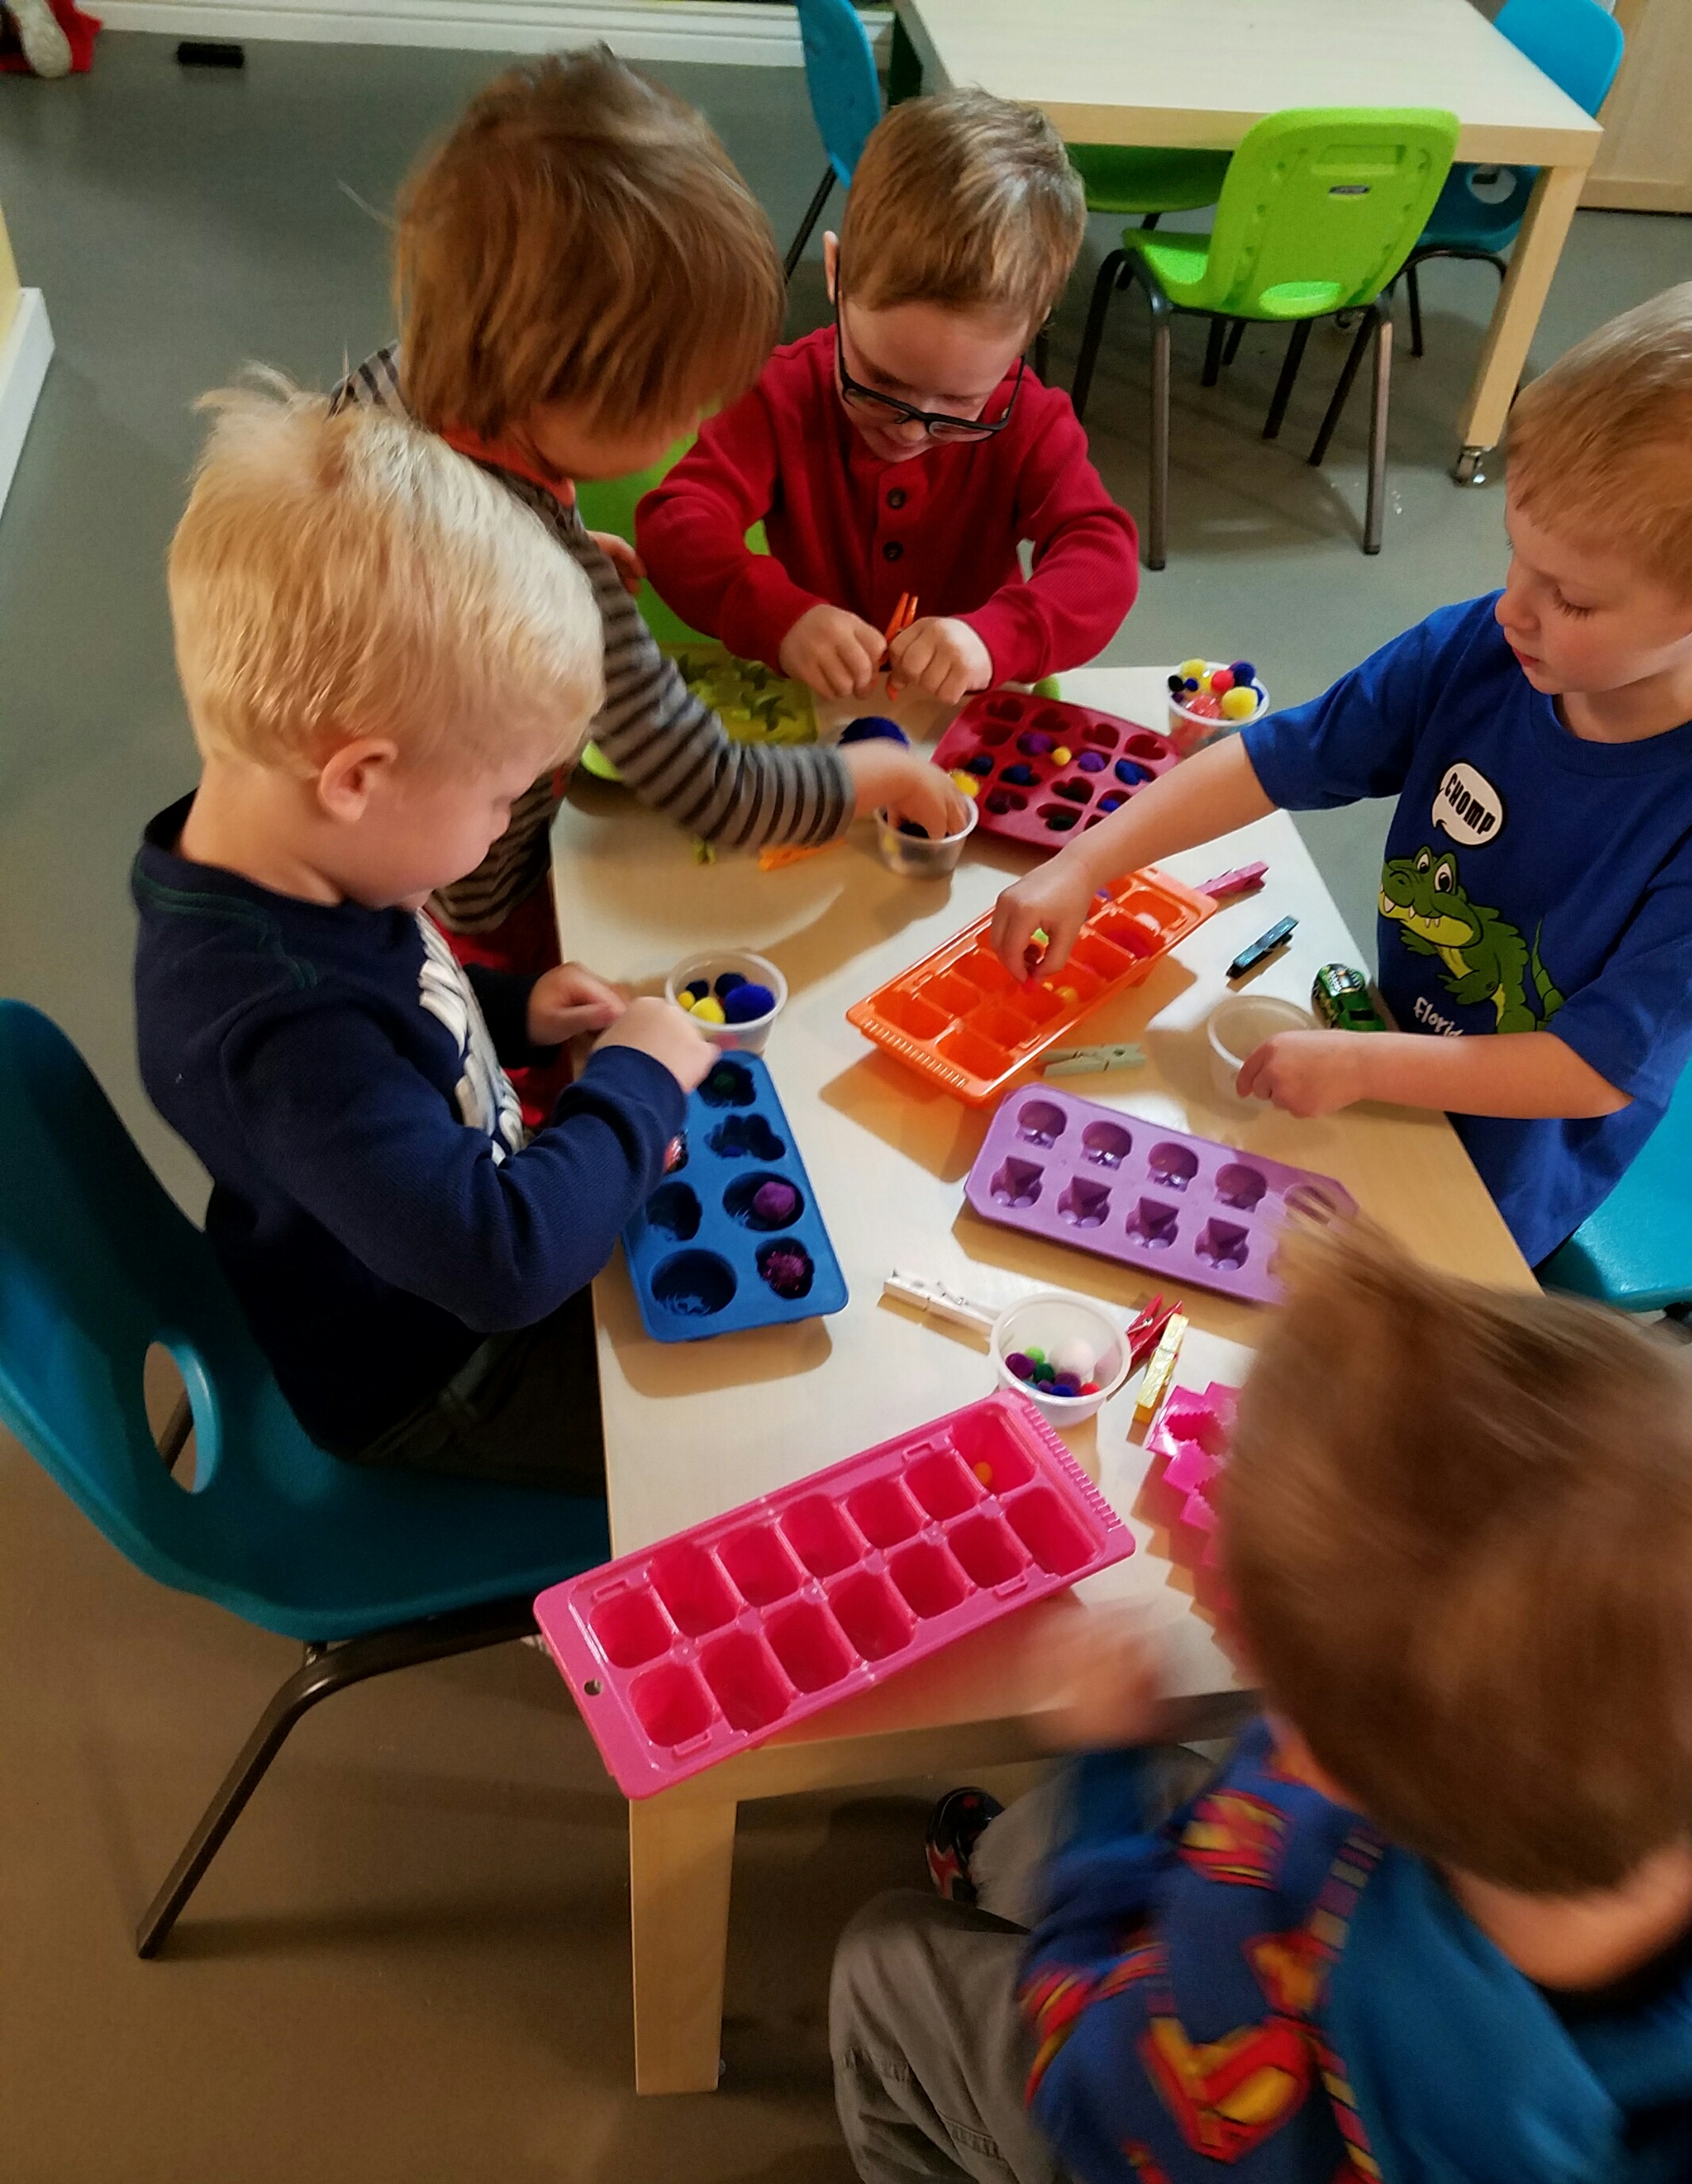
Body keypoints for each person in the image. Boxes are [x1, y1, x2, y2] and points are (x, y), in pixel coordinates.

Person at [833, 1221, 1692, 2184]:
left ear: (1319, 1763)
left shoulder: (1275, 1955)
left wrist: (1100, 1770)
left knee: (883, 1958)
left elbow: (1083, 2072)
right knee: (1109, 1829)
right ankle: (1039, 1870)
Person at [990, 277, 1692, 1268]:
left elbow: (1593, 1069)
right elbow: (1279, 756)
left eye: (1573, 600)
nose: (1514, 609)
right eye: (1515, 558)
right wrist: (1088, 861)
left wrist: (1368, 1062)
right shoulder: (1484, 649)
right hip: (1382, 1054)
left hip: (1502, 1171)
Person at [134, 379, 717, 1492]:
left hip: (436, 1248)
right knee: (739, 1434)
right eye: (503, 796)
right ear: (360, 777)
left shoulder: (292, 858)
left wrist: (519, 1011)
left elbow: (401, 1005)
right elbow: (505, 1264)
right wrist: (636, 1087)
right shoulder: (281, 1033)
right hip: (439, 1376)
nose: (512, 822)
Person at [336, 47, 955, 1019]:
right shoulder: (556, 579)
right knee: (528, 1016)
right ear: (561, 383)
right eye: (671, 406)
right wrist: (867, 775)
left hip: (350, 828)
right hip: (470, 894)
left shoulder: (393, 379)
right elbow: (711, 786)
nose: (690, 429)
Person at [635, 90, 1139, 706]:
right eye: (880, 384)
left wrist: (994, 639)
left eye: (959, 404)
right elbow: (676, 523)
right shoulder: (780, 394)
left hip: (959, 716)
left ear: (1029, 334)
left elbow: (1102, 554)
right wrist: (779, 615)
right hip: (815, 712)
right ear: (836, 274)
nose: (911, 431)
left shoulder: (1031, 422)